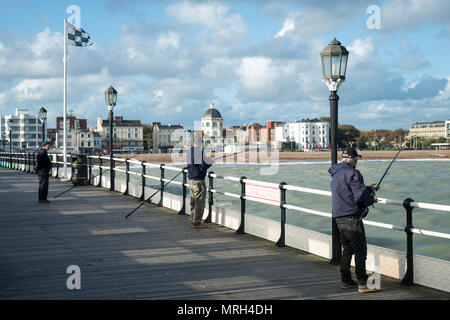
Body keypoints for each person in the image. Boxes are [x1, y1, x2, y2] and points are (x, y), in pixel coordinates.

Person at [328, 147, 380, 293]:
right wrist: (371, 199)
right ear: (351, 158)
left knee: (347, 249)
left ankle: (346, 280)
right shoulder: (353, 172)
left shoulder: (337, 174)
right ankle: (363, 283)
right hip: (352, 218)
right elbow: (359, 197)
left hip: (339, 217)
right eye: (356, 158)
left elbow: (349, 191)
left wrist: (368, 189)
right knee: (360, 250)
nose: (357, 161)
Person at [186, 134, 214, 229]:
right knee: (199, 201)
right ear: (198, 143)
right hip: (198, 180)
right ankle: (197, 222)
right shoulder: (198, 152)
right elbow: (203, 166)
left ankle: (192, 219)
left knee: (193, 200)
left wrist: (207, 160)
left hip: (191, 179)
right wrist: (211, 161)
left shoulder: (190, 151)